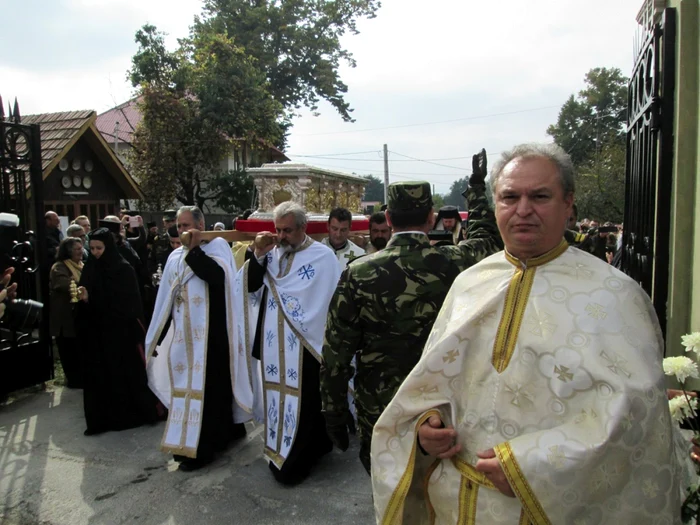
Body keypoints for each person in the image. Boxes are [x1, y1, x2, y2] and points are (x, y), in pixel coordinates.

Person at [371, 143, 679, 524]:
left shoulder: (615, 295)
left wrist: (532, 465)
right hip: (458, 503)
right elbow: (436, 383)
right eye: (510, 197)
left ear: (568, 204)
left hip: (550, 507)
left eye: (540, 196)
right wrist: (426, 428)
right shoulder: (469, 283)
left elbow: (639, 416)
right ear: (496, 203)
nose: (523, 210)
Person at [321, 149, 502, 474]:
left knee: (389, 492)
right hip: (443, 406)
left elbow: (336, 356)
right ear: (431, 218)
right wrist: (477, 187)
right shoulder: (453, 262)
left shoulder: (358, 273)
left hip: (382, 410)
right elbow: (487, 237)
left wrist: (333, 413)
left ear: (388, 219)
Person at [236, 201, 341, 485]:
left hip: (307, 345)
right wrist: (257, 254)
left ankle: (298, 460)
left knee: (305, 403)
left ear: (303, 228)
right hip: (273, 344)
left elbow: (329, 304)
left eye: (288, 231)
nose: (281, 236)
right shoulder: (270, 255)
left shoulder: (323, 257)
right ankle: (282, 449)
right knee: (278, 399)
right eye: (278, 230)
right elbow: (251, 287)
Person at [145, 206, 249, 471]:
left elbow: (217, 279)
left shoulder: (217, 249)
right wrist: (158, 336)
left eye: (187, 225)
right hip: (184, 339)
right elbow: (165, 298)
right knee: (187, 392)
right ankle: (187, 445)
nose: (182, 231)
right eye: (179, 226)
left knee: (212, 393)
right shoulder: (173, 258)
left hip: (213, 339)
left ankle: (207, 446)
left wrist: (193, 251)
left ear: (200, 225)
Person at [77, 228, 159, 436]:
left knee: (123, 375)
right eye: (92, 248)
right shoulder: (90, 268)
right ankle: (101, 419)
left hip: (120, 334)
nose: (95, 252)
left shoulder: (123, 269)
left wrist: (94, 299)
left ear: (109, 247)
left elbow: (129, 304)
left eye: (99, 248)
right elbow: (86, 296)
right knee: (99, 376)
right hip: (97, 333)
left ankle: (128, 416)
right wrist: (84, 299)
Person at [50, 238, 85, 388]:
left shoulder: (81, 265)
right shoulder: (59, 267)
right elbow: (63, 284)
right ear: (68, 251)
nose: (81, 251)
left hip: (78, 316)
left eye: (81, 248)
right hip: (65, 316)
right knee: (68, 349)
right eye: (77, 249)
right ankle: (73, 379)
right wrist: (81, 286)